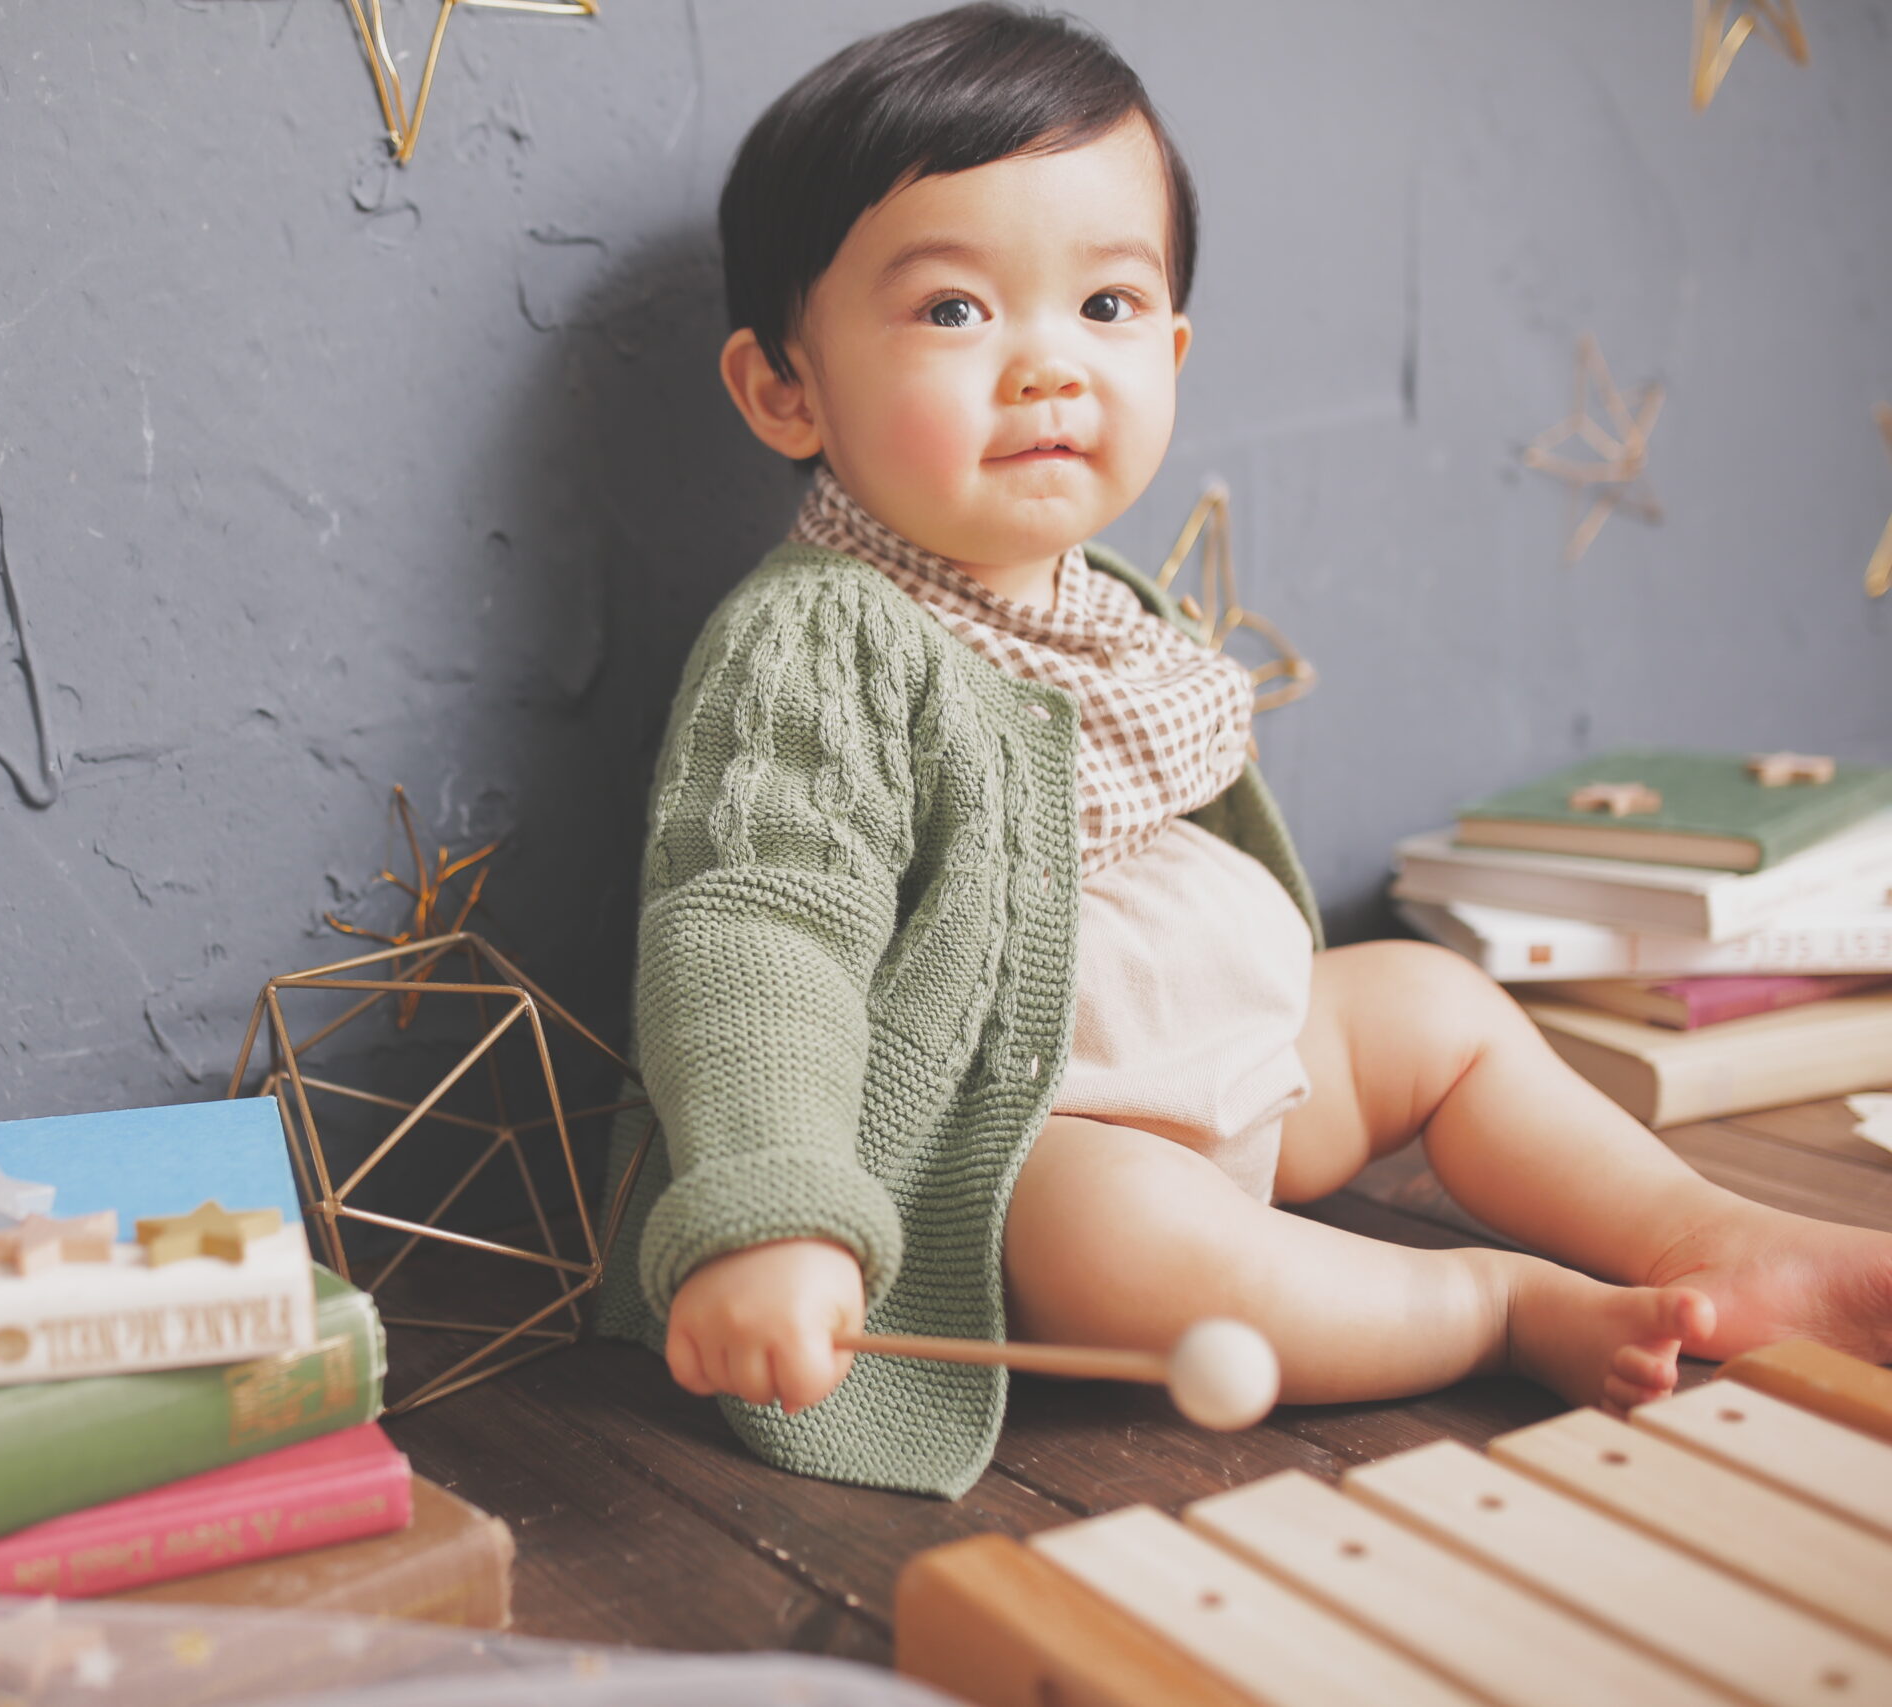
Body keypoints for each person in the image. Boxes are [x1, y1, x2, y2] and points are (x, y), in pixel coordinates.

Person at [588, 3, 1892, 1500]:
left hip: (1237, 1065)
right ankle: (1489, 1306)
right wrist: (774, 1211)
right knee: (1118, 1237)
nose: (1047, 365)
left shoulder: (1101, 609)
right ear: (787, 390)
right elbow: (759, 934)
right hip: (1018, 1142)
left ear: (1175, 349)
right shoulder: (823, 638)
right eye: (953, 311)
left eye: (1107, 304)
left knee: (1432, 1003)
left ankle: (1706, 1235)